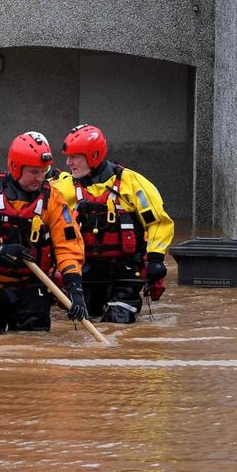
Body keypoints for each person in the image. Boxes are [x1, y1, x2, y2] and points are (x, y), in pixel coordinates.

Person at [0, 132, 87, 335]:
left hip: (31, 287)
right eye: (34, 172)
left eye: (44, 171)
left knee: (32, 352)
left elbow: (68, 246)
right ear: (16, 167)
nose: (40, 178)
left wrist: (75, 290)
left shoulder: (53, 199)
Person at [53, 123, 174, 323]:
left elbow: (158, 223)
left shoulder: (132, 184)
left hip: (125, 272)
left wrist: (155, 259)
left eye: (74, 156)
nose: (68, 162)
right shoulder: (62, 189)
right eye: (68, 156)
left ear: (92, 156)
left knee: (118, 323)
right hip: (87, 273)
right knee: (82, 319)